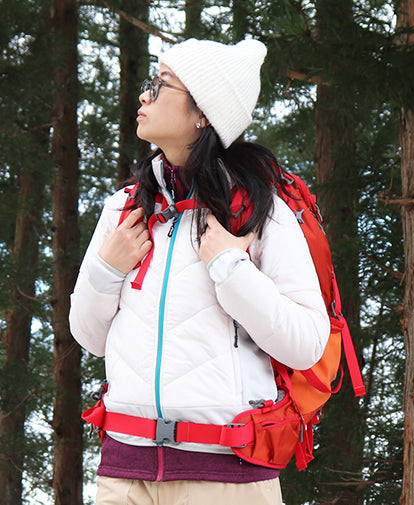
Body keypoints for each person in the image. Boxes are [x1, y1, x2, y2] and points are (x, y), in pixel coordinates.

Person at [69, 38, 330, 505]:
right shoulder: (123, 210)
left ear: (203, 113)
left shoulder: (260, 212)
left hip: (228, 476)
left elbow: (307, 343)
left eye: (161, 85)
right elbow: (89, 337)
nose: (144, 95)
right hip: (124, 476)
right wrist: (108, 267)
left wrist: (230, 266)